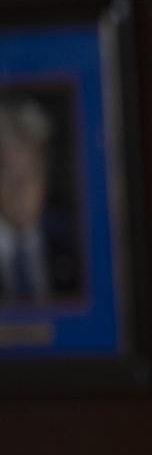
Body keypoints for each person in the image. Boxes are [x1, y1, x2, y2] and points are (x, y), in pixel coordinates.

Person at [0, 94, 81, 303]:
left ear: (46, 177)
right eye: (9, 171)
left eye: (31, 171)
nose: (21, 186)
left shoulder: (75, 248)